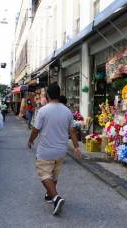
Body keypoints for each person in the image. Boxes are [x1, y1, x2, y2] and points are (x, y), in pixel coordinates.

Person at [27, 83, 81, 215]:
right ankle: (49, 194)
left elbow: (36, 129)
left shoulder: (43, 111)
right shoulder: (67, 111)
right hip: (61, 151)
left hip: (46, 150)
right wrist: (76, 147)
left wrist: (30, 140)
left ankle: (56, 198)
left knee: (44, 174)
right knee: (54, 174)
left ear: (48, 95)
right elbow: (72, 131)